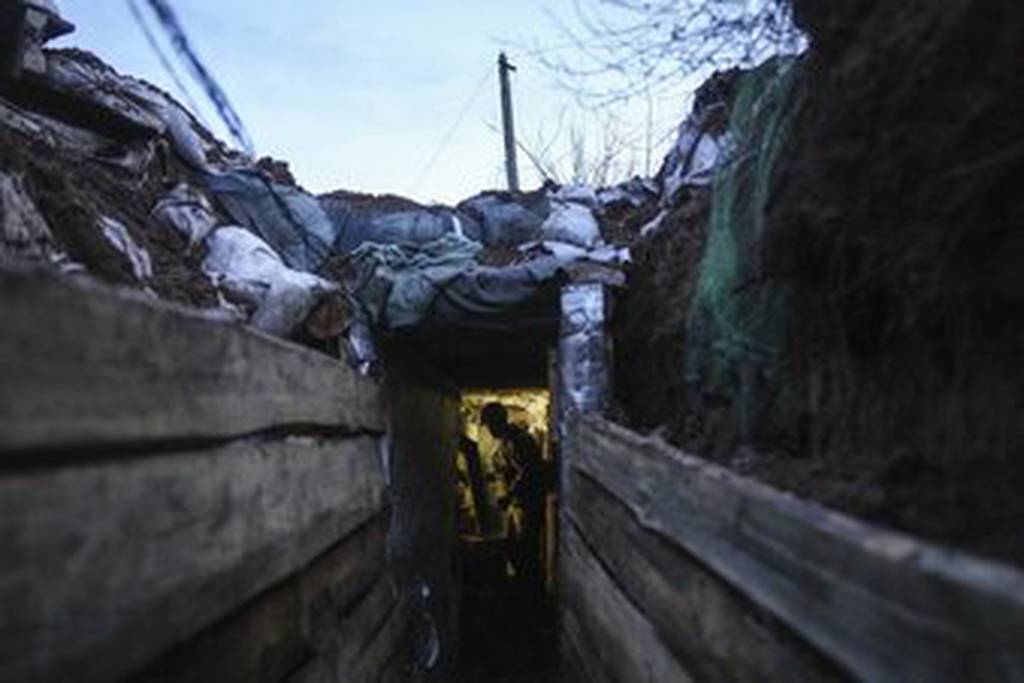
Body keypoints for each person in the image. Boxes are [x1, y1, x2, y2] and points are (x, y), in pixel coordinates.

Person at [479, 402, 546, 591]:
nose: (489, 430)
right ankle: (522, 588)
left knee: (526, 550)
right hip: (518, 504)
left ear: (499, 421)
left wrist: (508, 495)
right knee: (514, 547)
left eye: (491, 424)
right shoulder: (507, 442)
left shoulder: (519, 440)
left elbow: (528, 471)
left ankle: (530, 593)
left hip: (527, 503)